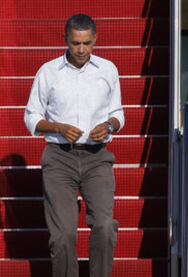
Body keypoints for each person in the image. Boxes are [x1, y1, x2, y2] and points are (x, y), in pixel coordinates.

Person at [24, 14, 124, 277]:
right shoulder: (48, 72)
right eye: (76, 43)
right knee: (62, 236)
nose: (82, 50)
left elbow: (118, 113)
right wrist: (58, 127)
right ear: (65, 40)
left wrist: (110, 125)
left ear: (95, 40)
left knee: (104, 226)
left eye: (87, 43)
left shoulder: (108, 70)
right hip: (59, 159)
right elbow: (31, 116)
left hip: (97, 157)